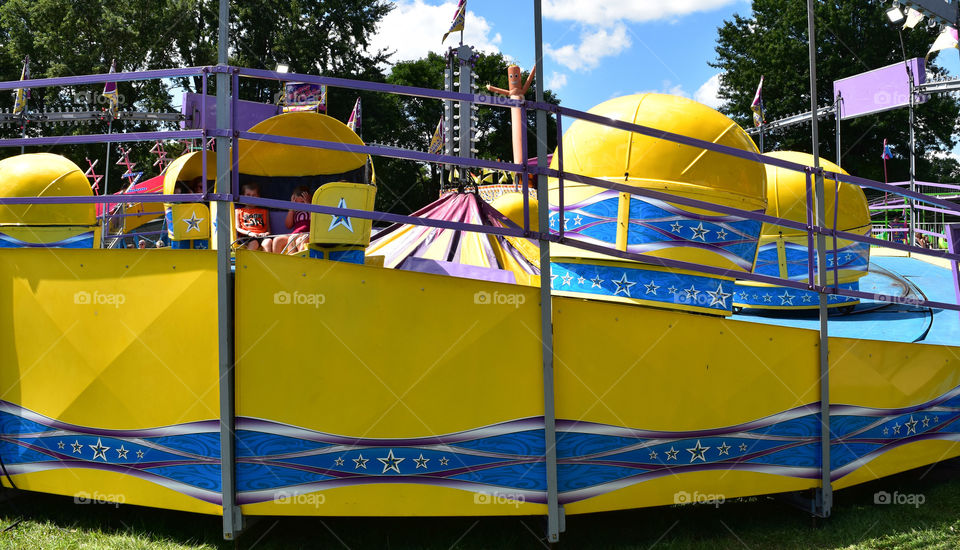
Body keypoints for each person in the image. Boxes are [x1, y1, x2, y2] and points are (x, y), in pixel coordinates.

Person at [235, 182, 274, 252]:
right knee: (254, 243)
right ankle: (247, 262)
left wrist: (266, 233)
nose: (251, 198)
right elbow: (237, 228)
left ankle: (266, 262)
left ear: (258, 197)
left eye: (254, 195)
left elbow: (268, 229)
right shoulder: (238, 211)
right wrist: (250, 233)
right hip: (247, 235)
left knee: (268, 242)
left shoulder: (264, 211)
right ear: (243, 196)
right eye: (248, 195)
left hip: (261, 235)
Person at [273, 186, 312, 254]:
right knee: (277, 240)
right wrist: (291, 208)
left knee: (296, 240)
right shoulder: (295, 212)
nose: (300, 205)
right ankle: (277, 262)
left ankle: (296, 262)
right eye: (297, 203)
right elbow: (288, 225)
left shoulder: (312, 211)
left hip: (307, 235)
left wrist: (308, 205)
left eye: (303, 202)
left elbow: (314, 221)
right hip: (295, 235)